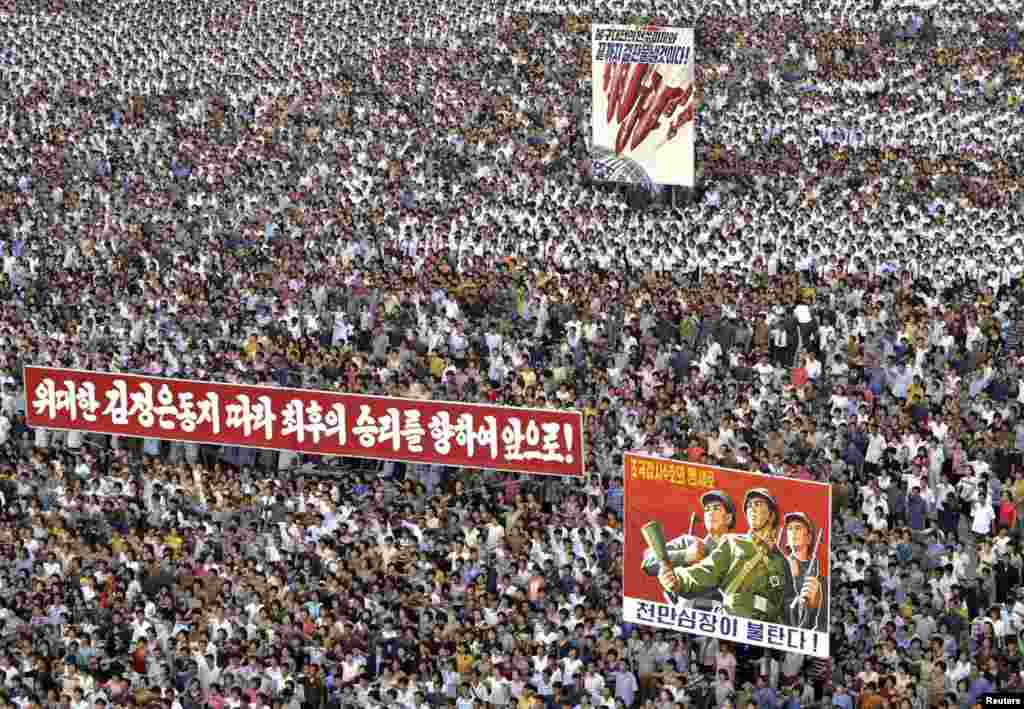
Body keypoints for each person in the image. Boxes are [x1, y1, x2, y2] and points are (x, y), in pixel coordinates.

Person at [658, 489, 788, 623]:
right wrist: (678, 580)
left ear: (771, 515)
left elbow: (786, 605)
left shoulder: (781, 561)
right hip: (733, 618)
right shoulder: (733, 542)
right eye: (749, 506)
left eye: (758, 504)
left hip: (766, 627)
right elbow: (707, 571)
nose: (752, 509)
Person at [642, 489, 737, 608]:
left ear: (728, 518)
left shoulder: (740, 552)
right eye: (707, 509)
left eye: (716, 508)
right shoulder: (688, 542)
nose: (710, 513)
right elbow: (648, 561)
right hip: (687, 612)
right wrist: (685, 555)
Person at [779, 512, 826, 631]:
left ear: (809, 538)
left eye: (798, 528)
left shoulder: (818, 577)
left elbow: (821, 619)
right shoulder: (779, 565)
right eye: (789, 529)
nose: (793, 532)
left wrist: (812, 605)